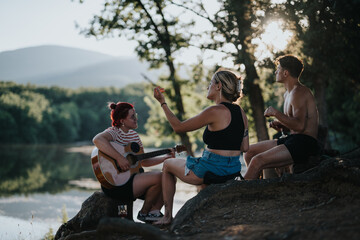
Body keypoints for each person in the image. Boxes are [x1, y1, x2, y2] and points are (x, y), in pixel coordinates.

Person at [152, 69, 249, 225]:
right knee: (203, 180)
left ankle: (167, 216)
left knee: (167, 164)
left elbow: (178, 127)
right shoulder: (241, 112)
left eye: (210, 83)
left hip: (210, 169)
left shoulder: (214, 111)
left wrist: (162, 102)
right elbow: (245, 147)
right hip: (232, 171)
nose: (207, 87)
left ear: (218, 86)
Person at [92, 102, 174, 223]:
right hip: (115, 183)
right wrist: (120, 158)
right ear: (121, 121)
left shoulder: (134, 136)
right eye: (132, 116)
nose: (136, 119)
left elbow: (144, 162)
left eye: (135, 115)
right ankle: (144, 213)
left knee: (169, 176)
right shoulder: (114, 132)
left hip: (132, 178)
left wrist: (164, 159)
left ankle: (154, 212)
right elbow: (97, 139)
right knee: (160, 176)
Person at [244, 54, 319, 180]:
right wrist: (282, 125)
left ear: (285, 73)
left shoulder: (299, 92)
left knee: (257, 161)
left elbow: (300, 126)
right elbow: (296, 124)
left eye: (278, 69)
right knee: (249, 152)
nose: (275, 71)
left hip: (305, 144)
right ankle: (254, 188)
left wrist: (276, 113)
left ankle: (241, 191)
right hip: (293, 139)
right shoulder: (287, 94)